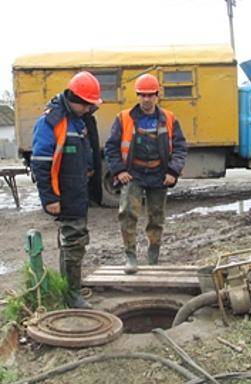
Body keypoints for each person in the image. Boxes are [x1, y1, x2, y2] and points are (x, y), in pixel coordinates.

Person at [31, 71, 102, 308]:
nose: (90, 109)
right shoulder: (51, 121)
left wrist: (90, 171)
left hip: (77, 190)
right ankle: (72, 296)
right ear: (77, 100)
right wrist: (50, 198)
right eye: (88, 105)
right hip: (65, 193)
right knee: (74, 241)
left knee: (75, 241)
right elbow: (41, 163)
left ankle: (70, 289)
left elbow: (85, 150)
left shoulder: (77, 119)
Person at [104, 74, 187, 274]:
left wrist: (173, 171)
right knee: (127, 214)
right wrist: (120, 170)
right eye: (143, 95)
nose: (147, 99)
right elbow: (111, 147)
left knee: (156, 218)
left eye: (150, 95)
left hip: (159, 174)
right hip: (134, 174)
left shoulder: (169, 118)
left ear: (157, 95)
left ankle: (153, 259)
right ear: (137, 96)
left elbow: (180, 146)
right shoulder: (124, 118)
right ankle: (131, 257)